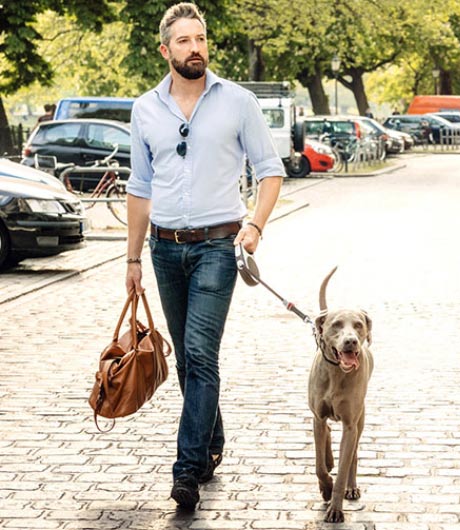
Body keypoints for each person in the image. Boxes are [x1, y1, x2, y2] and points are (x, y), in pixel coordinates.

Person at [124, 2, 284, 511]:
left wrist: (255, 225)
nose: (196, 48)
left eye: (201, 38)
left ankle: (186, 470)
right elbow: (139, 186)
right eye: (185, 40)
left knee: (199, 354)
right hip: (164, 249)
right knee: (192, 363)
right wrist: (132, 261)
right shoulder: (145, 108)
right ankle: (212, 441)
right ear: (165, 49)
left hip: (220, 243)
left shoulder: (238, 102)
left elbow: (270, 169)